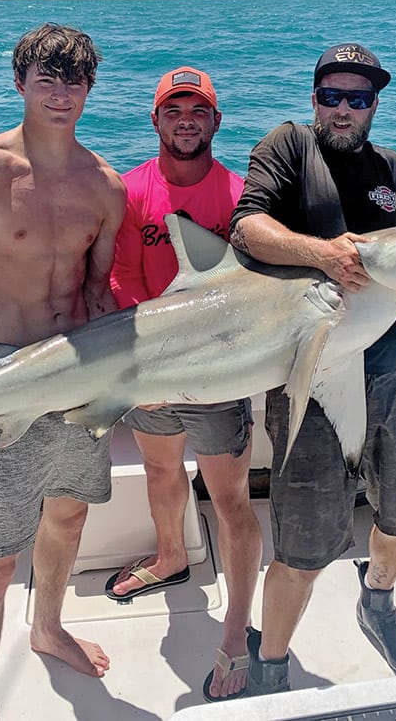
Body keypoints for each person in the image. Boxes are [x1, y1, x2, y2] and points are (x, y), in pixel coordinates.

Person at [0, 23, 127, 721]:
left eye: (75, 80)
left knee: (68, 516)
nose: (62, 92)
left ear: (91, 89)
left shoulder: (106, 186)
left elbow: (98, 295)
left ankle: (48, 626)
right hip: (5, 369)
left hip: (77, 371)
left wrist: (127, 371)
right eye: (48, 78)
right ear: (20, 83)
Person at [229, 42, 396, 695]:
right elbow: (247, 228)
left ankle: (377, 600)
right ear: (314, 99)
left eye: (359, 98)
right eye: (332, 96)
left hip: (386, 358)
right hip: (310, 366)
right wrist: (322, 254)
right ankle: (273, 661)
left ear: (375, 105)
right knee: (305, 541)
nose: (344, 109)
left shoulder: (393, 169)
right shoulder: (289, 147)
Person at [105, 66, 263, 702]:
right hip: (151, 369)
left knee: (231, 501)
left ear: (216, 122)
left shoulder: (242, 193)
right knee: (161, 471)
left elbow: (260, 284)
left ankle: (235, 632)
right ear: (156, 122)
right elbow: (118, 276)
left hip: (221, 371)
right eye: (174, 111)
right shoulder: (132, 190)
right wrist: (154, 355)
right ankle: (171, 557)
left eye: (198, 111)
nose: (187, 120)